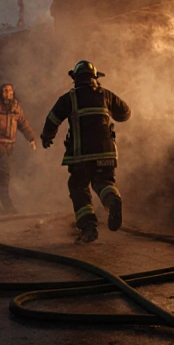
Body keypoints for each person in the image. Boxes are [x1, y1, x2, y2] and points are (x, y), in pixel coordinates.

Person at [40, 61, 131, 244]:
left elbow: (52, 120)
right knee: (104, 182)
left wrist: (47, 137)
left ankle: (88, 227)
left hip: (81, 155)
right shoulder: (106, 94)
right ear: (95, 77)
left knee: (78, 187)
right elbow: (125, 113)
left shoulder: (69, 98)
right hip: (106, 154)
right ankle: (112, 199)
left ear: (75, 78)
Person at [0, 83, 38, 213]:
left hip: (10, 146)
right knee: (4, 174)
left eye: (10, 91)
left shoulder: (16, 107)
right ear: (0, 92)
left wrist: (31, 139)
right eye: (5, 91)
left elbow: (23, 124)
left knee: (2, 175)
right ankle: (6, 202)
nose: (7, 93)